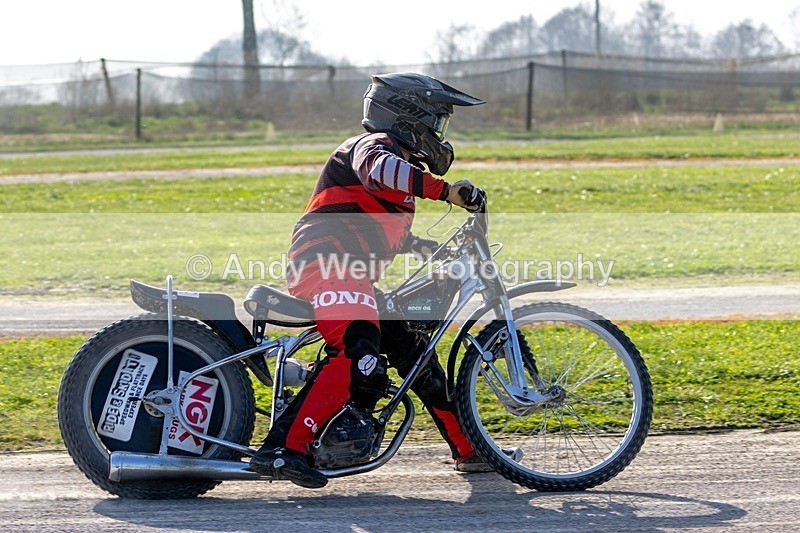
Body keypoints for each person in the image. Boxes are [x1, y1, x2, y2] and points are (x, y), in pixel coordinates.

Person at [250, 73, 491, 488]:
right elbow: (380, 171)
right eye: (436, 122)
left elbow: (369, 223)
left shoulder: (397, 165)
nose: (439, 134)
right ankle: (282, 450)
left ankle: (469, 450)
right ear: (408, 117)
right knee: (357, 349)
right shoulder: (372, 147)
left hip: (350, 273)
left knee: (416, 355)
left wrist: (420, 245)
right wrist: (446, 192)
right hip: (327, 265)